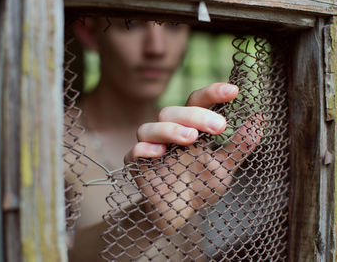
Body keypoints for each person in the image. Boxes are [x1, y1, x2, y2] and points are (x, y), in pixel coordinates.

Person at [67, 17, 260, 261]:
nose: (156, 48)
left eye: (174, 25)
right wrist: (146, 218)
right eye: (131, 24)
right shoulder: (52, 143)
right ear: (90, 33)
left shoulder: (189, 144)